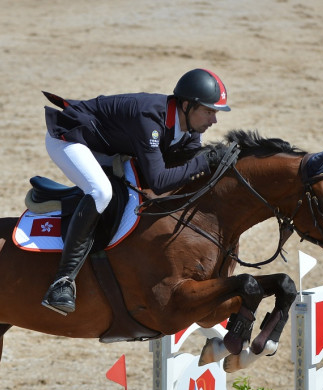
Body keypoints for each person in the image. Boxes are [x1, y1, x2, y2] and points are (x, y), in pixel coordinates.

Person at [41, 68, 231, 315]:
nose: (214, 120)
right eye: (209, 111)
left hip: (108, 147)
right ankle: (62, 281)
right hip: (71, 139)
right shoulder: (150, 119)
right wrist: (206, 161)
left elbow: (187, 165)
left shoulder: (189, 129)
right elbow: (161, 180)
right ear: (187, 105)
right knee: (101, 192)